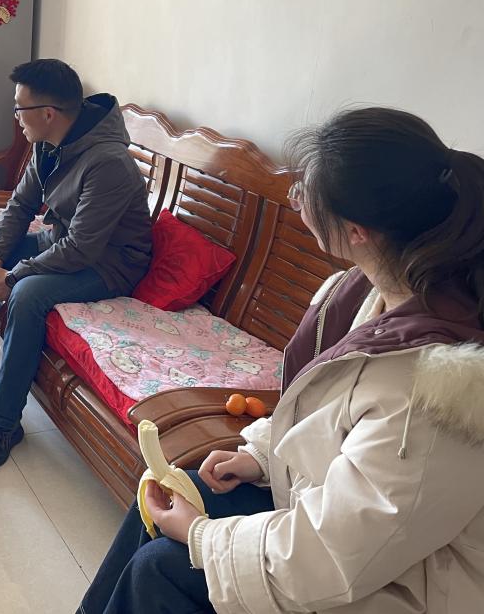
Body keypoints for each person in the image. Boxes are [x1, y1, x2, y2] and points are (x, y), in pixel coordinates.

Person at [80, 106, 484, 614]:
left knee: (161, 568)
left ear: (357, 230)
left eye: (304, 192)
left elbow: (336, 555)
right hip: (341, 522)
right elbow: (325, 414)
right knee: (170, 490)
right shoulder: (366, 290)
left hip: (401, 583)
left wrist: (200, 536)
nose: (296, 200)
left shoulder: (438, 391)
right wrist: (260, 455)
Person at [0, 59, 153, 469]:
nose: (15, 116)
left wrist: (13, 276)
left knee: (27, 293)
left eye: (19, 108)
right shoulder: (49, 145)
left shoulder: (108, 162)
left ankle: (4, 424)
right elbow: (20, 206)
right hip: (65, 242)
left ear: (47, 113)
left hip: (110, 263)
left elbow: (82, 248)